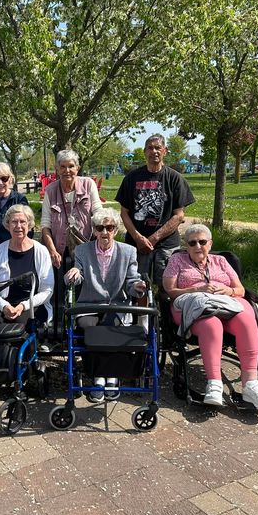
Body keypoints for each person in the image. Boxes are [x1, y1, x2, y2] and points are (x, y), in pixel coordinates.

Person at [162, 224, 258, 410]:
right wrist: (197, 289)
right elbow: (170, 291)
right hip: (193, 304)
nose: (198, 246)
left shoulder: (221, 261)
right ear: (186, 245)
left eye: (202, 242)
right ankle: (214, 383)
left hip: (226, 302)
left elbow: (240, 289)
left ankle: (251, 384)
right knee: (211, 325)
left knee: (247, 320)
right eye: (192, 242)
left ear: (210, 243)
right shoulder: (177, 261)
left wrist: (228, 290)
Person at [0, 204, 54, 417]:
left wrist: (23, 306)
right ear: (7, 225)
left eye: (23, 222)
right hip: (2, 302)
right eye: (14, 222)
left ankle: (20, 389)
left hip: (31, 304)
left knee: (23, 333)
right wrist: (5, 306)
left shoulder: (41, 251)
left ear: (30, 225)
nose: (18, 226)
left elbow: (47, 289)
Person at [65, 208, 146, 402]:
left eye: (109, 228)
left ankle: (111, 376)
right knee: (93, 328)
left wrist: (138, 286)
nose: (104, 232)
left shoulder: (128, 251)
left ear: (116, 230)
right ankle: (100, 377)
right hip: (89, 307)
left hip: (117, 307)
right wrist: (74, 273)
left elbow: (131, 281)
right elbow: (78, 274)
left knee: (112, 326)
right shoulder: (82, 250)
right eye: (100, 228)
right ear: (93, 230)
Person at [115, 134, 195, 283]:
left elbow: (179, 216)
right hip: (136, 244)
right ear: (145, 152)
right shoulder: (131, 178)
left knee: (167, 288)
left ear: (165, 151)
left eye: (158, 148)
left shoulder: (175, 178)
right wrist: (138, 238)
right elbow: (124, 213)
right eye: (150, 148)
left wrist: (153, 238)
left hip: (166, 245)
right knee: (138, 287)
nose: (154, 151)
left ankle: (162, 307)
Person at [41, 149, 102, 268]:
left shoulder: (88, 184)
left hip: (86, 245)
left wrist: (101, 236)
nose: (67, 171)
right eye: (62, 166)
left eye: (71, 166)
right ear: (57, 169)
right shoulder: (50, 190)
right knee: (60, 283)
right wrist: (52, 251)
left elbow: (98, 212)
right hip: (59, 249)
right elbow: (45, 224)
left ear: (77, 168)